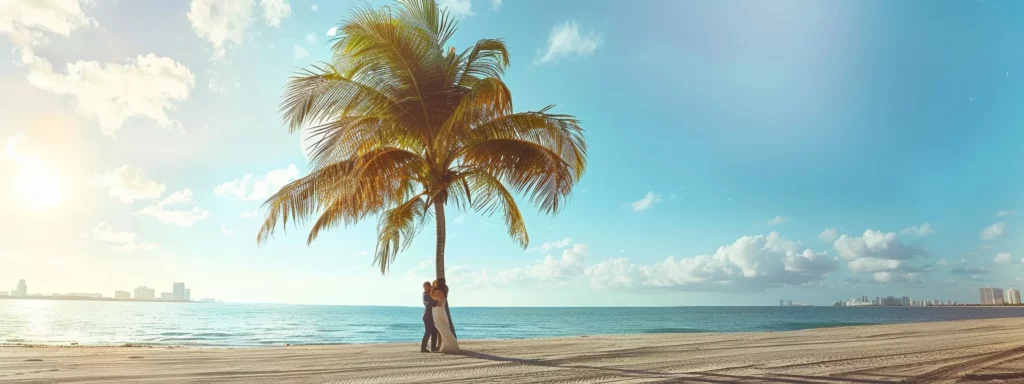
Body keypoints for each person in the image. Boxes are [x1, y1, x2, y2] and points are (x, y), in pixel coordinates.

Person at [430, 279, 459, 353]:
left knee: (442, 327)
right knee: (444, 327)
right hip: (441, 310)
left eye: (435, 282)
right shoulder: (445, 290)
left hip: (437, 310)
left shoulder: (437, 291)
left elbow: (431, 296)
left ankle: (449, 345)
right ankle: (450, 344)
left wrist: (432, 287)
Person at [420, 282, 439, 353]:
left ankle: (433, 348)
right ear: (425, 287)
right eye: (427, 286)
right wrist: (436, 301)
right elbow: (427, 303)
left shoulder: (431, 294)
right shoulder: (425, 294)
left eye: (429, 285)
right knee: (428, 332)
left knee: (434, 332)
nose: (429, 287)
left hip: (433, 316)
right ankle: (423, 348)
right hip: (427, 317)